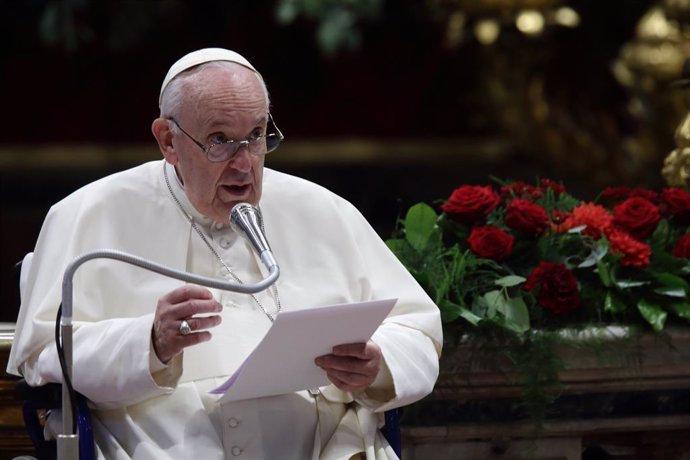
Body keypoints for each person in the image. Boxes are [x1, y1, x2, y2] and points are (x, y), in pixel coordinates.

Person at [8, 48, 442, 459]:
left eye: (256, 136)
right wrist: (149, 342)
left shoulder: (323, 210)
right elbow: (44, 356)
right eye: (219, 140)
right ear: (168, 140)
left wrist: (376, 367)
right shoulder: (88, 214)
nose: (244, 164)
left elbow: (418, 332)